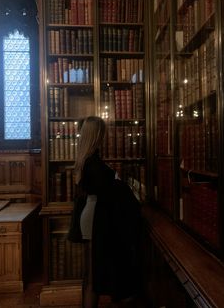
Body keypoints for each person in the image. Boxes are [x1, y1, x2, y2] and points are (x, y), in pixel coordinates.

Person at [70, 116, 142, 308]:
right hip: (96, 218)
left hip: (93, 214)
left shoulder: (88, 158)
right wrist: (119, 183)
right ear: (97, 135)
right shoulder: (92, 162)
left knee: (90, 274)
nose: (106, 136)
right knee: (94, 276)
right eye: (103, 132)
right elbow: (108, 191)